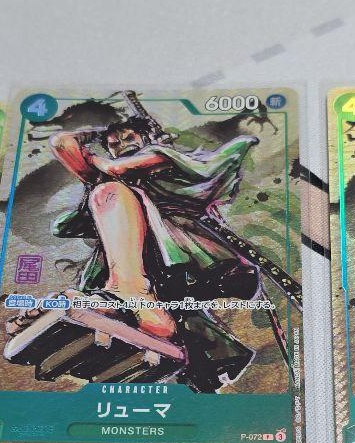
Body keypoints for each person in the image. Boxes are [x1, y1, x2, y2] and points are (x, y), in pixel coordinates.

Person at [45, 100, 261, 392]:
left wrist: (97, 157)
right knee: (184, 325)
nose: (122, 145)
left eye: (129, 137)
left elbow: (115, 169)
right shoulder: (111, 180)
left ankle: (131, 295)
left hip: (181, 252)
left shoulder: (161, 155)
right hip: (139, 256)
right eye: (114, 143)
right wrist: (95, 135)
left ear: (145, 137)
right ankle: (199, 365)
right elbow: (61, 144)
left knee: (109, 190)